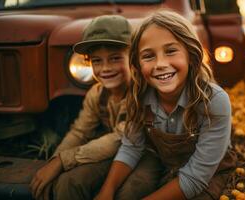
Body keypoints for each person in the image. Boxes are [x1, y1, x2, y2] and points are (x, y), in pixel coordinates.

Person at [95, 10, 237, 200]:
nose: (160, 64)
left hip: (206, 173)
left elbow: (195, 177)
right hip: (164, 163)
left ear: (191, 54)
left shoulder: (213, 101)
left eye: (170, 51)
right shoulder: (139, 95)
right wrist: (107, 190)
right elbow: (132, 146)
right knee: (126, 193)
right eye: (148, 56)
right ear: (137, 63)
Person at [30, 15, 132, 200]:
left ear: (133, 57)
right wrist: (54, 160)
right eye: (97, 61)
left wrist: (63, 161)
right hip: (109, 153)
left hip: (137, 156)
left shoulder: (140, 94)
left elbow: (121, 137)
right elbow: (80, 132)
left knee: (130, 192)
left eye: (115, 58)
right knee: (67, 184)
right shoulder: (97, 93)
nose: (105, 68)